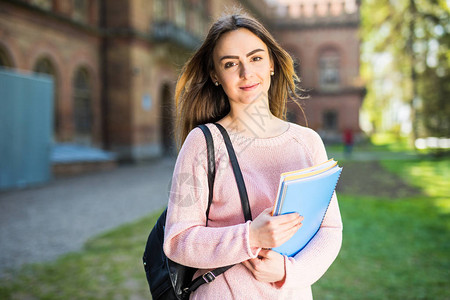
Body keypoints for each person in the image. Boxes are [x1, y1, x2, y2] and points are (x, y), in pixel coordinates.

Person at [163, 11, 342, 300]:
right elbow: (177, 241)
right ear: (215, 76)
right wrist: (251, 237)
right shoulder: (202, 143)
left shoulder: (307, 142)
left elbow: (330, 230)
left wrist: (288, 271)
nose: (246, 73)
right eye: (231, 64)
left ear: (271, 63)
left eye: (256, 58)